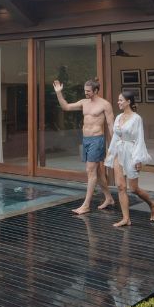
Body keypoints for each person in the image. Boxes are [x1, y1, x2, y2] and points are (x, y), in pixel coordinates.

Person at [53, 78, 116, 215]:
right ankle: (109, 198)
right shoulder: (84, 102)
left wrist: (114, 146)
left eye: (88, 91)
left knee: (90, 170)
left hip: (97, 140)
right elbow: (66, 107)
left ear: (96, 90)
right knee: (98, 172)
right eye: (85, 91)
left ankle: (86, 205)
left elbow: (111, 126)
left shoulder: (105, 105)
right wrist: (58, 93)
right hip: (86, 139)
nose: (86, 93)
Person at [105, 89, 154, 227]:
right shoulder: (118, 117)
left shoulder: (136, 118)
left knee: (134, 188)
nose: (118, 102)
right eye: (118, 100)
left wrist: (138, 159)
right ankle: (126, 219)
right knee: (120, 186)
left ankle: (152, 204)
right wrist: (110, 153)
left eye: (121, 100)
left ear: (128, 102)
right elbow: (115, 137)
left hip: (131, 152)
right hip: (119, 151)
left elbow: (140, 140)